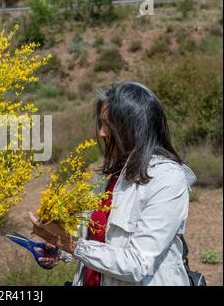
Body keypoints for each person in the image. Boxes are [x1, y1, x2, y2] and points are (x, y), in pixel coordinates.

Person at [29, 82, 197, 286]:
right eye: (101, 123)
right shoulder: (111, 176)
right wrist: (59, 250)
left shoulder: (167, 179)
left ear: (133, 127)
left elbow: (137, 264)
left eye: (108, 124)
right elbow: (96, 241)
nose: (101, 133)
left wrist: (66, 242)